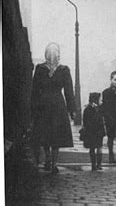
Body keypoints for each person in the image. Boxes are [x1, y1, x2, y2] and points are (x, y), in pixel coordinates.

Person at [31, 42, 76, 174]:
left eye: (54, 53)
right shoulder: (40, 69)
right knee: (45, 134)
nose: (52, 56)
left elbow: (68, 90)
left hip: (58, 106)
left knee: (56, 135)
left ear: (59, 55)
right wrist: (33, 107)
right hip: (42, 105)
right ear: (45, 54)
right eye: (49, 53)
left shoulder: (64, 70)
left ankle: (54, 163)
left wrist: (71, 109)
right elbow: (34, 89)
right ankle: (48, 159)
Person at [82, 93, 105, 171]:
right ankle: (96, 165)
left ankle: (96, 165)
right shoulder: (93, 109)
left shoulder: (88, 109)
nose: (101, 100)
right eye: (99, 99)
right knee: (96, 147)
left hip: (94, 131)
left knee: (96, 148)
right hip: (94, 131)